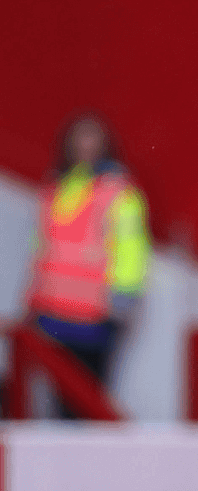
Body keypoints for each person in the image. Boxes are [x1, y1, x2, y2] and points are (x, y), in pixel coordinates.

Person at [29, 112, 151, 407]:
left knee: (88, 400)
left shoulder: (118, 191)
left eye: (92, 137)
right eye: (79, 137)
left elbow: (130, 249)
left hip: (95, 315)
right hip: (52, 312)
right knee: (58, 401)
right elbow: (44, 250)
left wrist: (123, 298)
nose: (84, 145)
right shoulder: (58, 188)